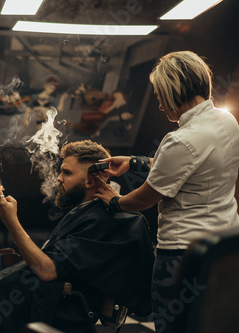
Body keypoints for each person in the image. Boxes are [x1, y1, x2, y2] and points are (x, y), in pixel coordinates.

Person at [0, 140, 154, 333]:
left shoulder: (103, 219)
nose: (59, 178)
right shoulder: (86, 210)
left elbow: (48, 270)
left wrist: (10, 221)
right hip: (32, 294)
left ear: (90, 181)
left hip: (57, 309)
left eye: (67, 173)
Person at [93, 51, 239, 333]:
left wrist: (114, 202)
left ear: (175, 91)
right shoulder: (227, 122)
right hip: (224, 250)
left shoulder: (181, 140)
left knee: (173, 327)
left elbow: (146, 198)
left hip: (180, 258)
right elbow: (192, 169)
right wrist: (134, 163)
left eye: (161, 96)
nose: (160, 105)